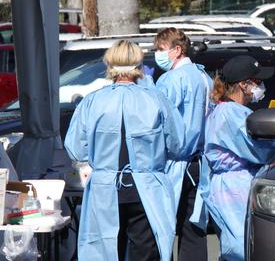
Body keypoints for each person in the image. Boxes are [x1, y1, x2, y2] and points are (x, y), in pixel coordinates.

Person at [64, 40, 185, 261]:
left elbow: (76, 149)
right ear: (139, 66)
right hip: (146, 191)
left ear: (109, 65)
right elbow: (177, 144)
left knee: (103, 252)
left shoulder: (93, 101)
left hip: (104, 190)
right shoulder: (156, 99)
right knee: (145, 252)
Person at [202, 55, 275, 261]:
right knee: (242, 248)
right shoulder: (230, 113)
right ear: (243, 85)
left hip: (237, 184)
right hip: (234, 187)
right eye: (257, 81)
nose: (261, 86)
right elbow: (259, 152)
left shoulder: (233, 111)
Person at [153, 28, 211, 260]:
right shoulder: (203, 77)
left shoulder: (171, 80)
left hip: (174, 163)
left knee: (161, 228)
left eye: (160, 49)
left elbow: (158, 122)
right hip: (199, 163)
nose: (157, 54)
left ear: (177, 50)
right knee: (194, 228)